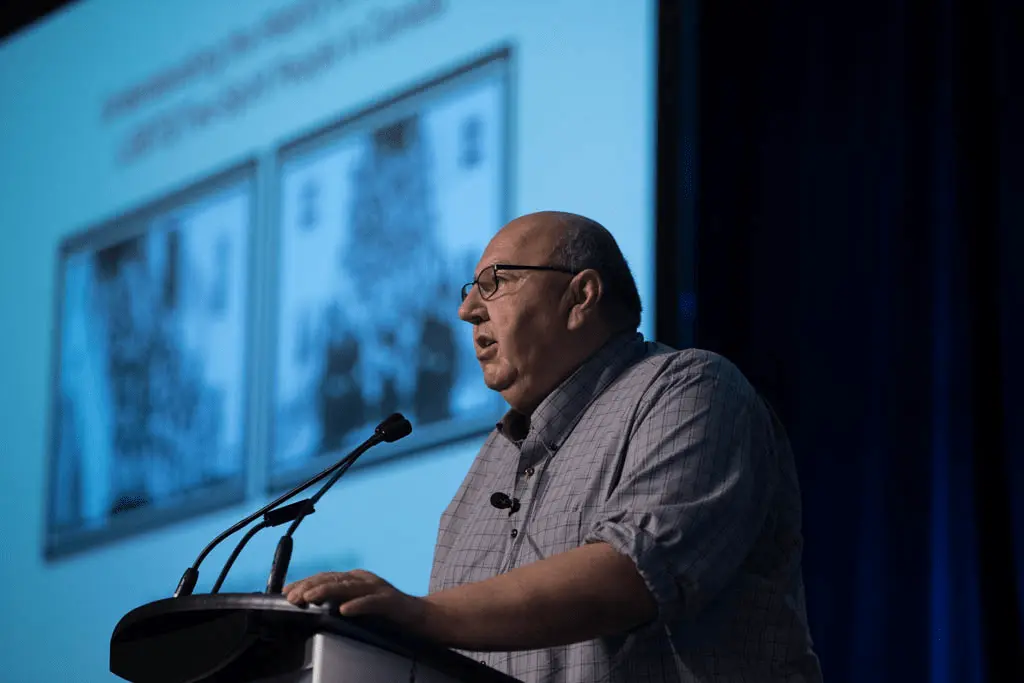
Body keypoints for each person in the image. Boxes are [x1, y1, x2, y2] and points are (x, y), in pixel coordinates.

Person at [284, 211, 824, 682]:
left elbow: (634, 574)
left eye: (494, 282)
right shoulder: (487, 468)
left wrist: (422, 614)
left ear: (580, 296)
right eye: (469, 289)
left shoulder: (689, 389)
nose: (467, 310)